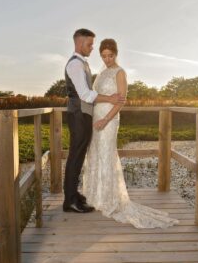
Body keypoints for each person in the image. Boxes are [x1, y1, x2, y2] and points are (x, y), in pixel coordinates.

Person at [83, 38, 179, 228]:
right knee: (95, 155)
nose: (107, 59)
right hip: (96, 118)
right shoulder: (101, 74)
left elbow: (121, 100)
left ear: (116, 54)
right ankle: (97, 197)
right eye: (103, 56)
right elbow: (95, 97)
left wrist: (105, 119)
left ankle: (111, 199)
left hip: (108, 121)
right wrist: (96, 117)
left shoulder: (120, 72)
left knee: (107, 154)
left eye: (110, 55)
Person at [63, 29, 125, 213]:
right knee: (75, 156)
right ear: (80, 43)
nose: (92, 48)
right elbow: (85, 94)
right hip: (78, 115)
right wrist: (110, 98)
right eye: (89, 44)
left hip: (84, 115)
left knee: (80, 155)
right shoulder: (75, 65)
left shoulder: (83, 64)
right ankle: (70, 201)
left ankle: (74, 195)